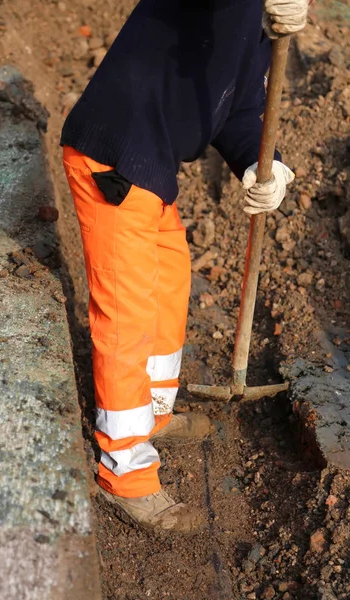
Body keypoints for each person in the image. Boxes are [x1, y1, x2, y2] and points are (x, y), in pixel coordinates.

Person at [61, 0, 308, 533]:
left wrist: (266, 167)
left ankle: (149, 411)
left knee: (169, 283)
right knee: (126, 315)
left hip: (149, 164)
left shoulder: (258, 35)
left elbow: (239, 111)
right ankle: (123, 470)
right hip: (115, 155)